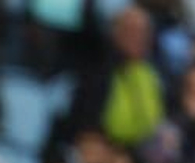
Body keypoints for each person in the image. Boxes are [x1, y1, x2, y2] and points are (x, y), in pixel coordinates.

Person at [63, 5, 165, 149]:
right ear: (115, 32)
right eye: (131, 31)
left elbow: (154, 126)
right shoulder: (97, 67)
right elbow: (86, 127)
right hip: (97, 150)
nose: (139, 38)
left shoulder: (149, 75)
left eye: (144, 32)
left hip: (138, 156)